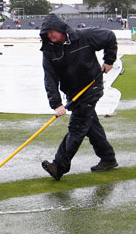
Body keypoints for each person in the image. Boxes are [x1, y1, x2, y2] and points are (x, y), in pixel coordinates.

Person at [39, 13, 118, 181]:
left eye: (52, 31)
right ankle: (108, 158)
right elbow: (50, 78)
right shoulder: (49, 51)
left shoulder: (84, 36)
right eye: (47, 33)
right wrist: (56, 103)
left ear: (61, 28)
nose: (50, 36)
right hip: (73, 93)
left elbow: (110, 37)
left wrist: (109, 60)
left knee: (77, 126)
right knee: (90, 126)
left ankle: (59, 166)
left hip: (91, 87)